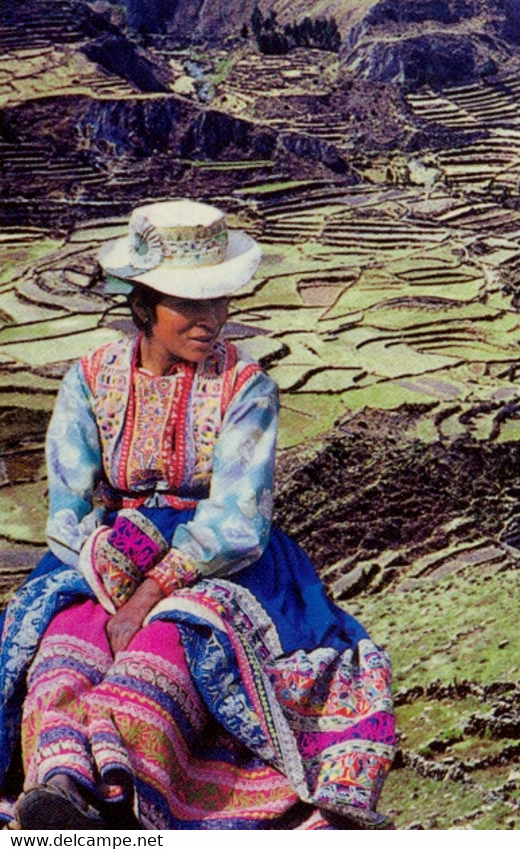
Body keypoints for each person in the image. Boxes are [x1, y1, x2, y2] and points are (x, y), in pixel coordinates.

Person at [0, 200, 394, 829]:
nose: (210, 319)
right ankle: (63, 785)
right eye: (189, 303)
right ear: (143, 305)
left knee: (160, 652)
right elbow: (69, 504)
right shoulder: (90, 380)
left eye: (218, 302)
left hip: (222, 561)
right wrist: (106, 576)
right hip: (107, 554)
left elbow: (237, 518)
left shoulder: (246, 388)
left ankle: (128, 798)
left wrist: (148, 594)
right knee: (63, 644)